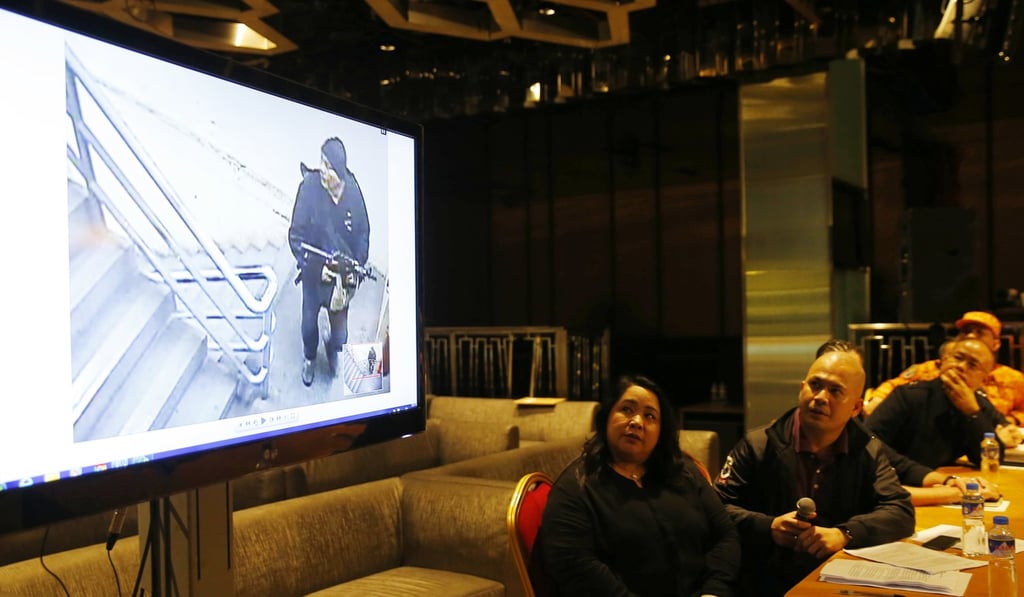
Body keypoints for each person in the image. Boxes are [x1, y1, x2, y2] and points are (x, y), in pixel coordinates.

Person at [714, 340, 914, 596]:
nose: (820, 398)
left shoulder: (866, 449)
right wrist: (768, 527)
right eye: (815, 385)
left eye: (835, 391)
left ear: (855, 408)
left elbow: (900, 510)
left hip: (839, 580)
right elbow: (715, 509)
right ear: (801, 389)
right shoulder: (760, 444)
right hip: (764, 580)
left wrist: (845, 534)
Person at [538, 374, 739, 597]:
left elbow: (725, 535)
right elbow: (578, 570)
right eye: (626, 409)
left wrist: (714, 591)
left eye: (650, 416)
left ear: (661, 432)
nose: (636, 422)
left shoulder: (683, 472)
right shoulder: (575, 489)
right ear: (607, 417)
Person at [287, 137, 370, 386]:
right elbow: (296, 236)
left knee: (341, 335)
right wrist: (316, 267)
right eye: (321, 162)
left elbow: (363, 233)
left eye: (327, 165)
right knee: (308, 326)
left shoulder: (353, 192)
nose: (322, 170)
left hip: (341, 280)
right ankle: (310, 358)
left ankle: (333, 350)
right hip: (314, 275)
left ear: (339, 172)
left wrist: (356, 265)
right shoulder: (309, 188)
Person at [863, 311, 1024, 431]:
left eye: (979, 332)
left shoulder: (1013, 378)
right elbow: (893, 387)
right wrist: (877, 400)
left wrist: (1011, 421)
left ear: (996, 344)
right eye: (966, 330)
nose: (970, 335)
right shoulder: (930, 368)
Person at [865, 337, 1007, 470]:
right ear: (944, 360)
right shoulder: (909, 395)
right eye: (958, 358)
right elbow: (867, 441)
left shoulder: (979, 404)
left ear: (984, 378)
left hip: (944, 482)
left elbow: (992, 459)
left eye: (972, 365)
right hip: (897, 480)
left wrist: (972, 413)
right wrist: (915, 472)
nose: (961, 367)